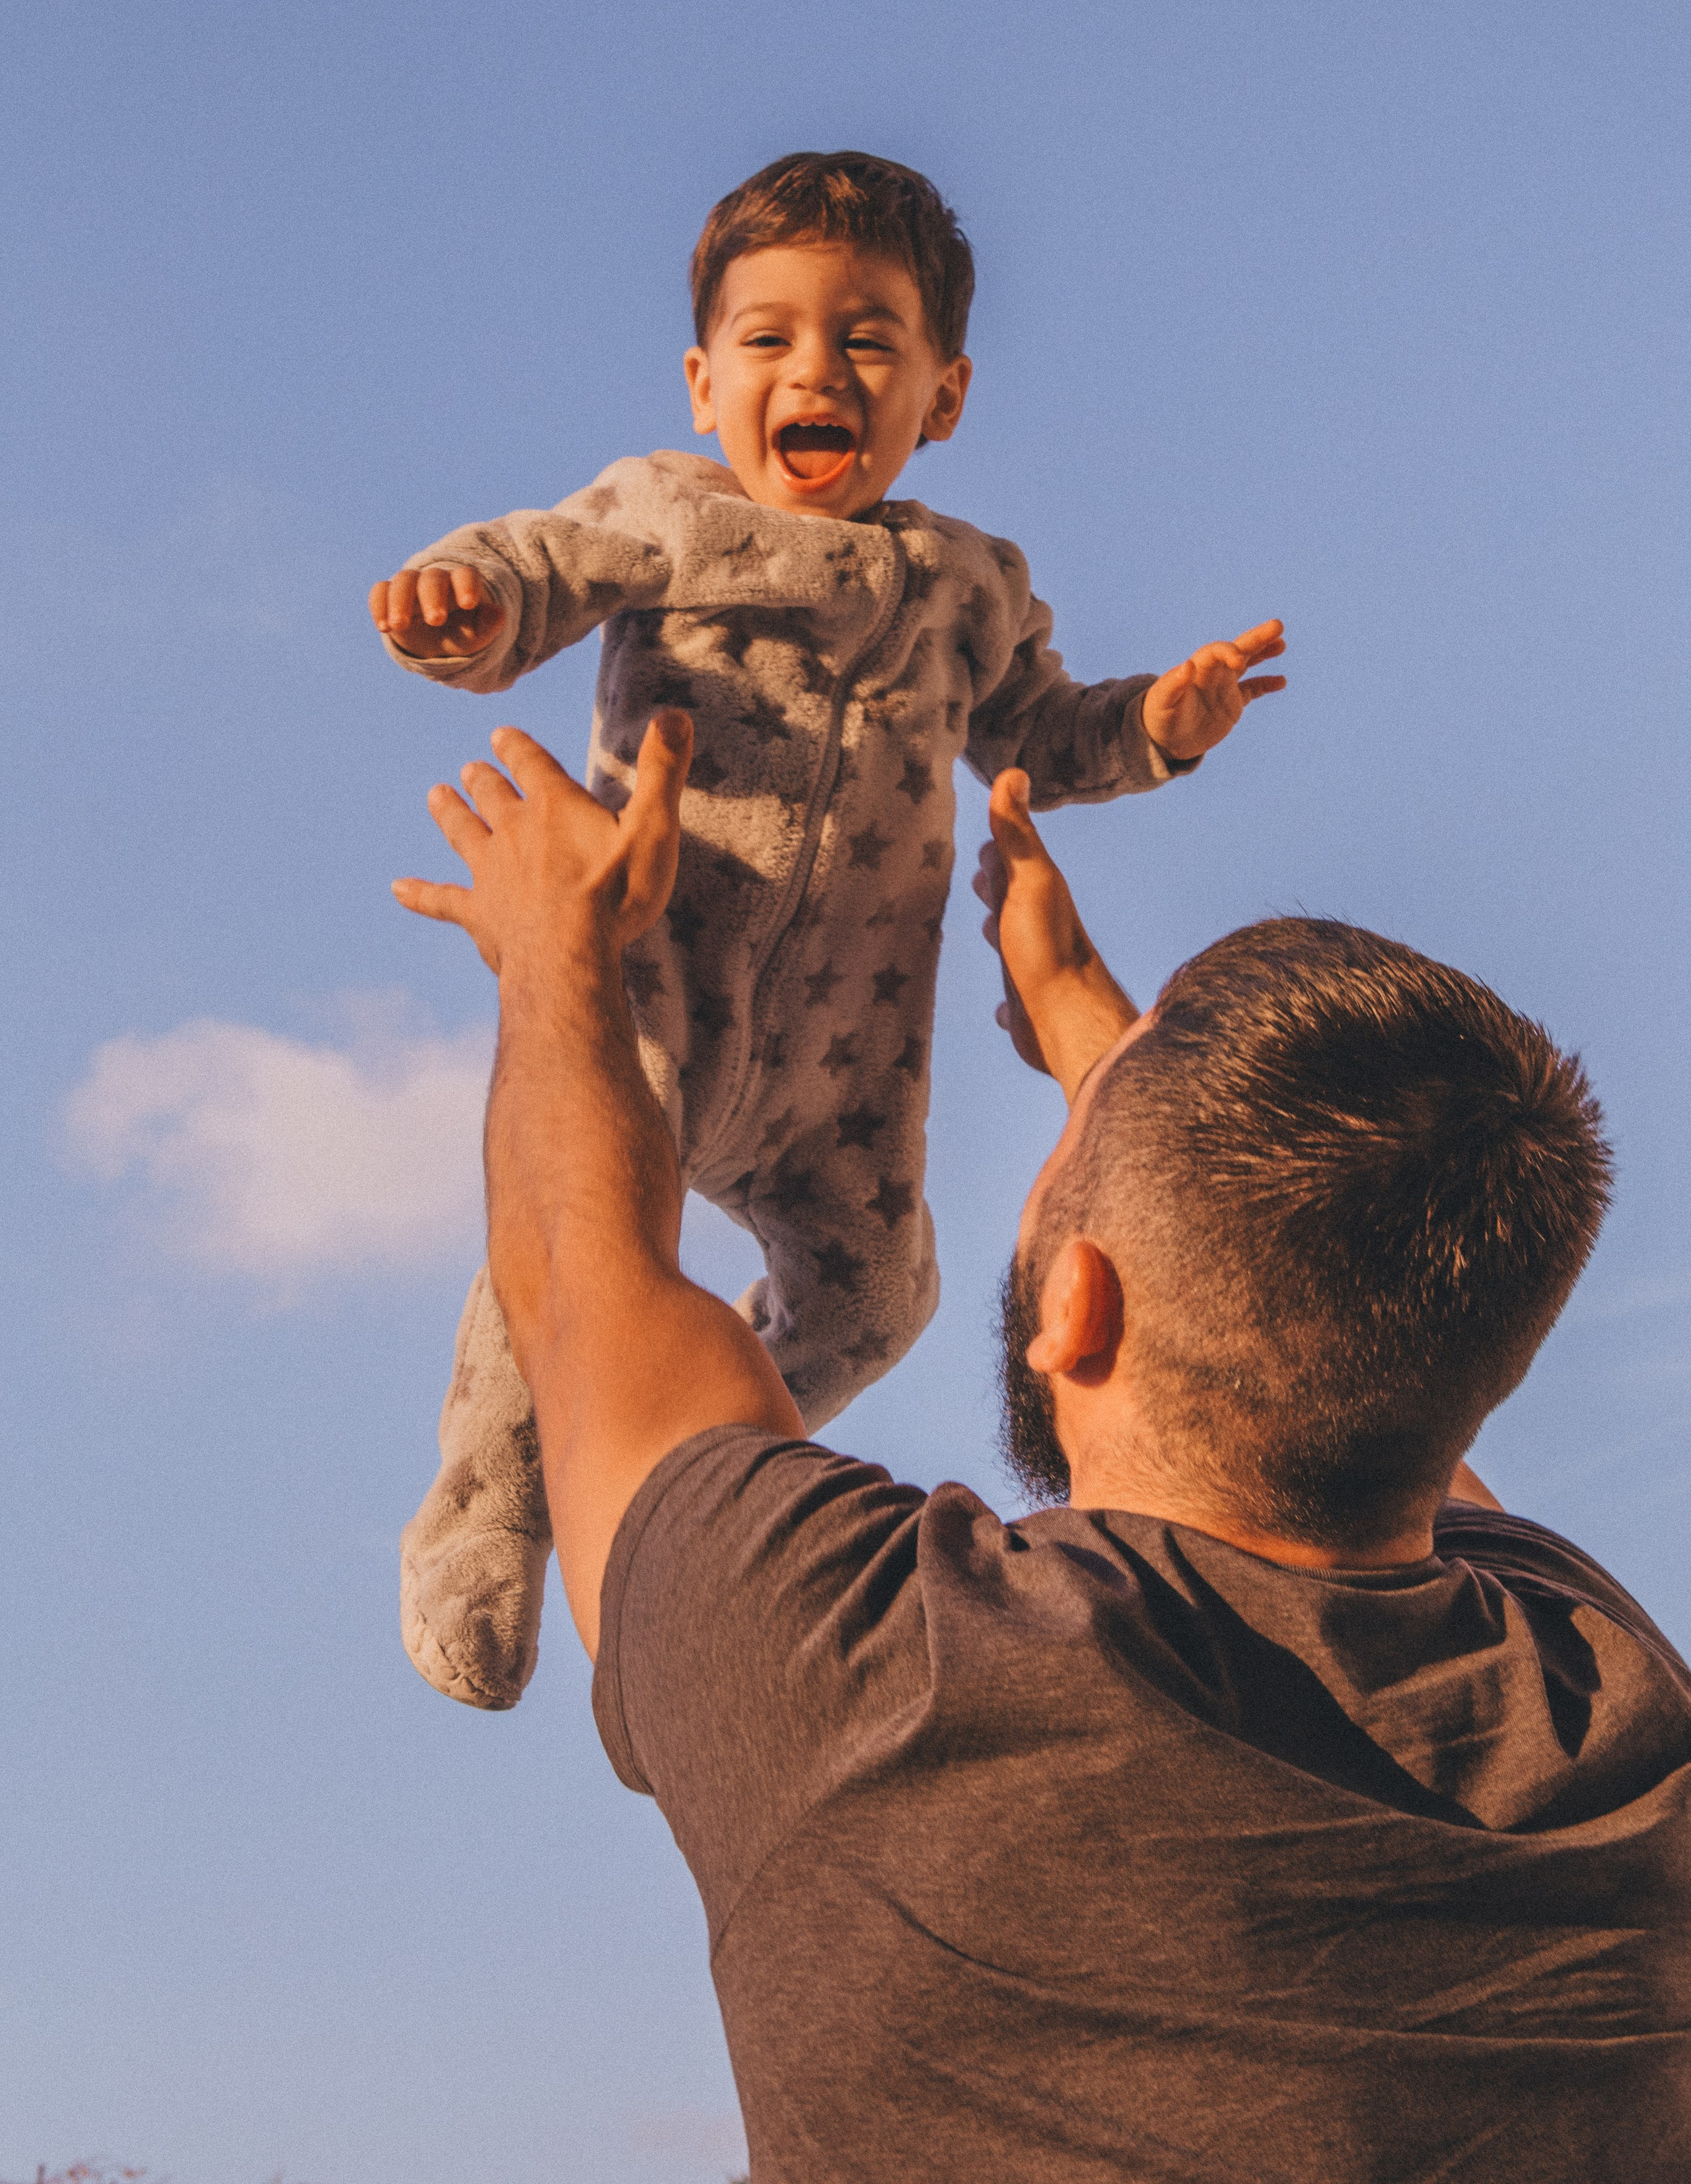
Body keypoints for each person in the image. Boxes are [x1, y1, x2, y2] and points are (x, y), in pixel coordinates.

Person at [394, 711, 1691, 2184]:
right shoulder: (1615, 1709)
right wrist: (1089, 1030)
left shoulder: (873, 1670)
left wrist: (561, 944)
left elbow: (578, 1272)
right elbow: (1373, 1355)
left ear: (1074, 1301)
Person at [368, 149, 1287, 1709]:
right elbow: (538, 565)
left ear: (942, 393)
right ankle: (488, 1517)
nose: (816, 370)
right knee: (572, 1240)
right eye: (771, 338)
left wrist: (1158, 722)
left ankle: (692, 1431)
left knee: (882, 1296)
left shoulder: (971, 587)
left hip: (852, 1056)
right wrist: (467, 601)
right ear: (704, 377)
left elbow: (1039, 738)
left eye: (868, 340)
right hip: (666, 985)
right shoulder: (664, 512)